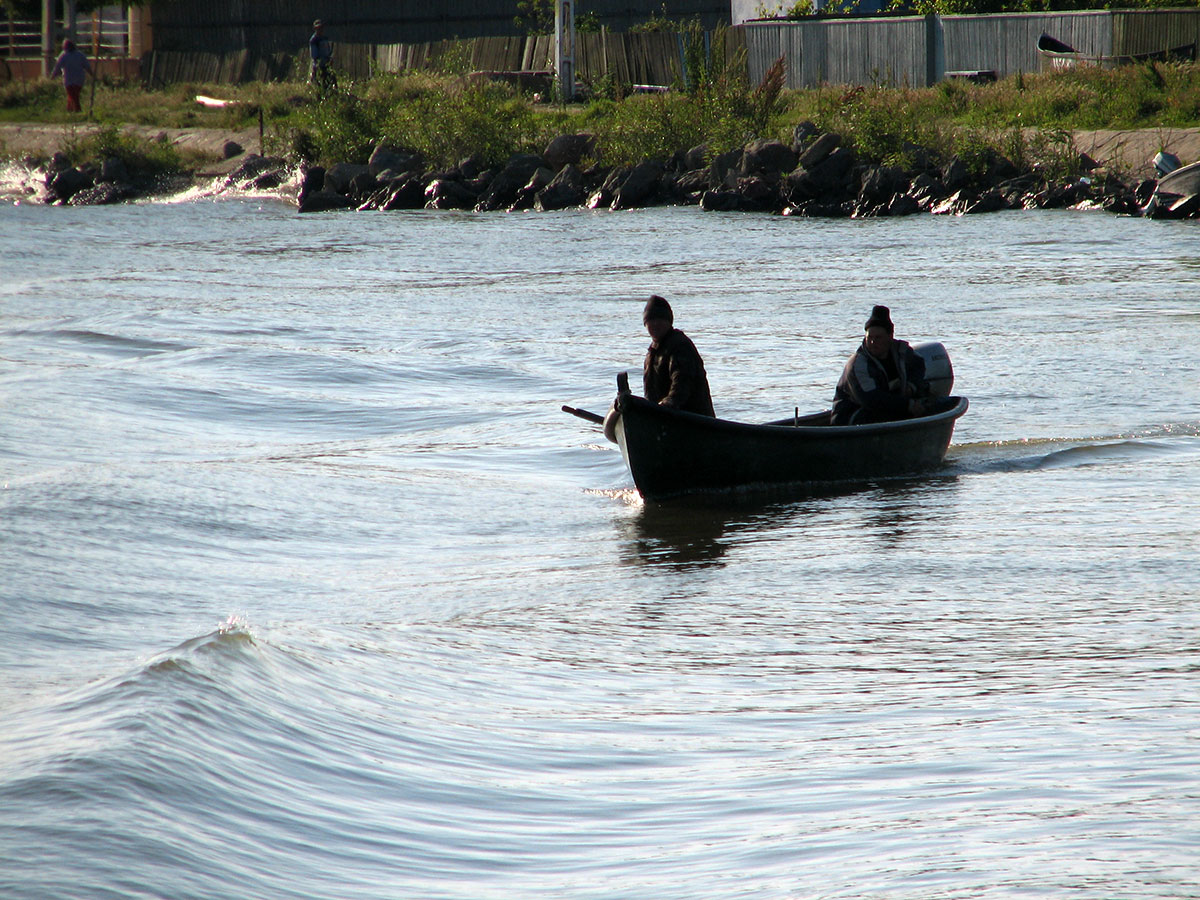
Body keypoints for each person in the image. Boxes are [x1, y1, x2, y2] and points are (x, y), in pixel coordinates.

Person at [831, 305, 932, 425]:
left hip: (889, 407)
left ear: (890, 337)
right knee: (896, 414)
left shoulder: (902, 351)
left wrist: (912, 386)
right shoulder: (858, 365)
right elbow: (871, 400)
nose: (873, 342)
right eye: (870, 338)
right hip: (851, 417)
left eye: (878, 338)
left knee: (931, 404)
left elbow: (919, 366)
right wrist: (908, 405)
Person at [641, 294, 715, 417]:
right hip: (664, 418)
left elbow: (682, 381)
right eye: (651, 320)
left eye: (660, 319)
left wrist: (669, 402)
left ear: (669, 322)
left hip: (692, 418)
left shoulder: (680, 346)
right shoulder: (652, 352)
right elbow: (650, 395)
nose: (655, 324)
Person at [51, 39, 92, 114]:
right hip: (78, 79)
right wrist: (92, 75)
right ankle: (70, 110)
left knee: (73, 96)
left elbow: (57, 68)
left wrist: (52, 77)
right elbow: (87, 67)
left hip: (69, 80)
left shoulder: (63, 56)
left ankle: (77, 110)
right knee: (73, 96)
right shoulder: (80, 55)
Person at [309, 19, 334, 89]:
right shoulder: (314, 40)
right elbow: (314, 55)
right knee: (321, 85)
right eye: (318, 28)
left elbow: (328, 51)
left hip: (327, 65)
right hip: (319, 66)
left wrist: (330, 58)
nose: (321, 30)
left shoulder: (325, 38)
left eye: (321, 28)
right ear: (315, 29)